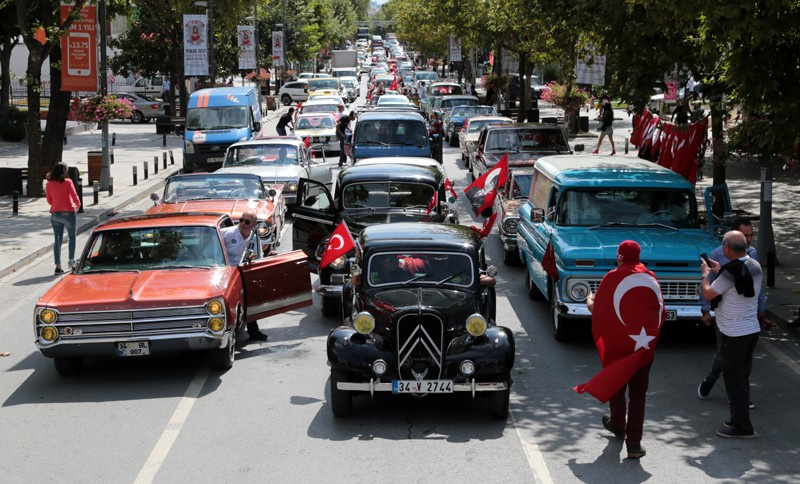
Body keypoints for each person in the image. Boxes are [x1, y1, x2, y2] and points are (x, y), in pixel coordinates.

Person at [580, 240, 665, 459]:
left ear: (619, 257)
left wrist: (590, 299)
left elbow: (597, 308)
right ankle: (634, 444)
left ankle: (618, 424)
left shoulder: (612, 277)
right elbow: (659, 310)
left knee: (617, 383)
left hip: (618, 345)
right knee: (638, 395)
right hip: (643, 348)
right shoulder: (651, 278)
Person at [698, 218, 767, 404]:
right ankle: (716, 383)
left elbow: (709, 291)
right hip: (732, 323)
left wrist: (706, 275)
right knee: (727, 358)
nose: (749, 240)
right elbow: (731, 281)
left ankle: (739, 405)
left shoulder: (748, 261)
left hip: (739, 324)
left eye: (751, 236)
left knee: (736, 366)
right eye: (745, 236)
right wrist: (705, 310)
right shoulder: (746, 264)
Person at [221, 211, 268, 341]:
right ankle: (228, 332)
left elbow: (259, 254)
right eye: (241, 220)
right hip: (226, 273)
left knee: (250, 300)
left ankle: (253, 331)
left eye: (247, 222)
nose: (242, 223)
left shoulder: (254, 236)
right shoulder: (227, 233)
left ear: (253, 224)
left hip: (243, 271)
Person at [45, 162, 80, 274]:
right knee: (72, 237)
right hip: (68, 213)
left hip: (55, 214)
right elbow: (75, 197)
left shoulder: (49, 184)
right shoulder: (68, 182)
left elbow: (49, 201)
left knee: (57, 240)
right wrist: (77, 205)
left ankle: (58, 267)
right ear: (64, 171)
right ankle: (71, 262)